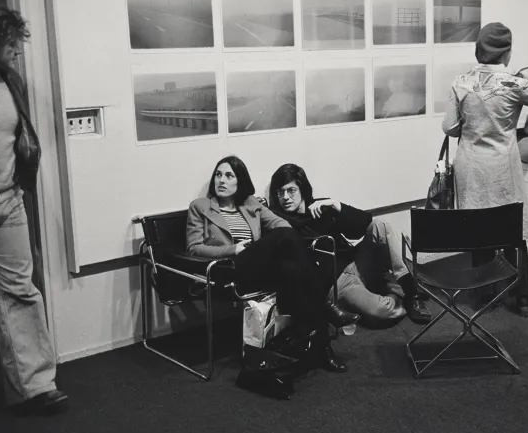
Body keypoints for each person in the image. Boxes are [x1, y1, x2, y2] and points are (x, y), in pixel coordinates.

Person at [0, 3, 68, 414]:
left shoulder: (11, 81)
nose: (17, 51)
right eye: (10, 43)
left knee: (20, 293)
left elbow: (21, 133)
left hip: (9, 201)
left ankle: (35, 385)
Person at [185, 156, 359, 372]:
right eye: (218, 175)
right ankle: (326, 319)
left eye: (229, 175)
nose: (221, 180)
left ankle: (321, 344)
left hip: (257, 268)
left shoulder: (251, 204)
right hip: (227, 269)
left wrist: (264, 244)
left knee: (291, 268)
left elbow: (283, 226)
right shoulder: (200, 207)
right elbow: (193, 248)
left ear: (240, 181)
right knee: (288, 247)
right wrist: (233, 249)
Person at [442, 22, 528, 317]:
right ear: (506, 52)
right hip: (503, 166)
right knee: (513, 231)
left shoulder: (461, 82)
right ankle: (523, 298)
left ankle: (484, 295)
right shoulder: (514, 84)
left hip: (471, 166)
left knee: (478, 229)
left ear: (478, 50)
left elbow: (450, 128)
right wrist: (525, 80)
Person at [267, 164, 432, 326]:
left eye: (291, 190)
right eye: (280, 193)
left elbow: (364, 224)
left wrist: (337, 206)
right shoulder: (279, 221)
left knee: (380, 225)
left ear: (302, 188)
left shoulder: (319, 208)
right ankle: (395, 291)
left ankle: (411, 294)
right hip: (339, 282)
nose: (286, 197)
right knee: (384, 311)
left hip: (356, 263)